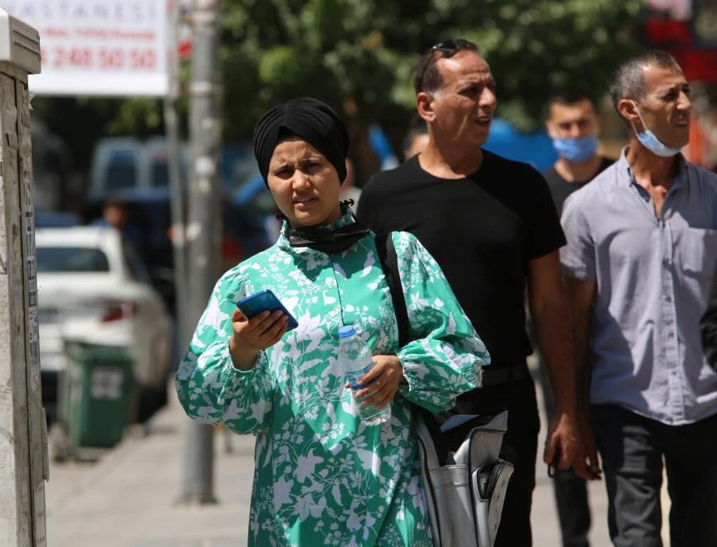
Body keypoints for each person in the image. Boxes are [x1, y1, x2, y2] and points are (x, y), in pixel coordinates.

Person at [175, 97, 490, 545]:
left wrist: (403, 368)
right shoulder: (245, 282)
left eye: (312, 165)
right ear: (268, 182)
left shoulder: (397, 256)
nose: (299, 183)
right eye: (283, 172)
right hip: (292, 520)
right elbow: (198, 398)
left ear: (340, 169)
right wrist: (240, 353)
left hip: (394, 507)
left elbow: (466, 355)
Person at [357, 39, 580, 547]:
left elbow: (549, 305)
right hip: (414, 407)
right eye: (470, 90)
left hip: (504, 403)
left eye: (490, 88)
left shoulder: (523, 187)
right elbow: (367, 308)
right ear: (426, 105)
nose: (487, 102)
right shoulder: (384, 197)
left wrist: (568, 409)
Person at [561, 50, 717, 546]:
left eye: (686, 91)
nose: (684, 103)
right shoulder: (586, 209)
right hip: (625, 406)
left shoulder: (713, 198)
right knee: (635, 539)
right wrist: (572, 414)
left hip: (706, 405)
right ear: (631, 110)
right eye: (668, 94)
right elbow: (574, 322)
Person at [540, 87, 614, 547]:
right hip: (561, 339)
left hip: (617, 337)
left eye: (582, 124)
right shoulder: (540, 191)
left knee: (622, 446)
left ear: (596, 125)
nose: (575, 134)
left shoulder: (619, 180)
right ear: (551, 131)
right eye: (565, 126)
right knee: (565, 447)